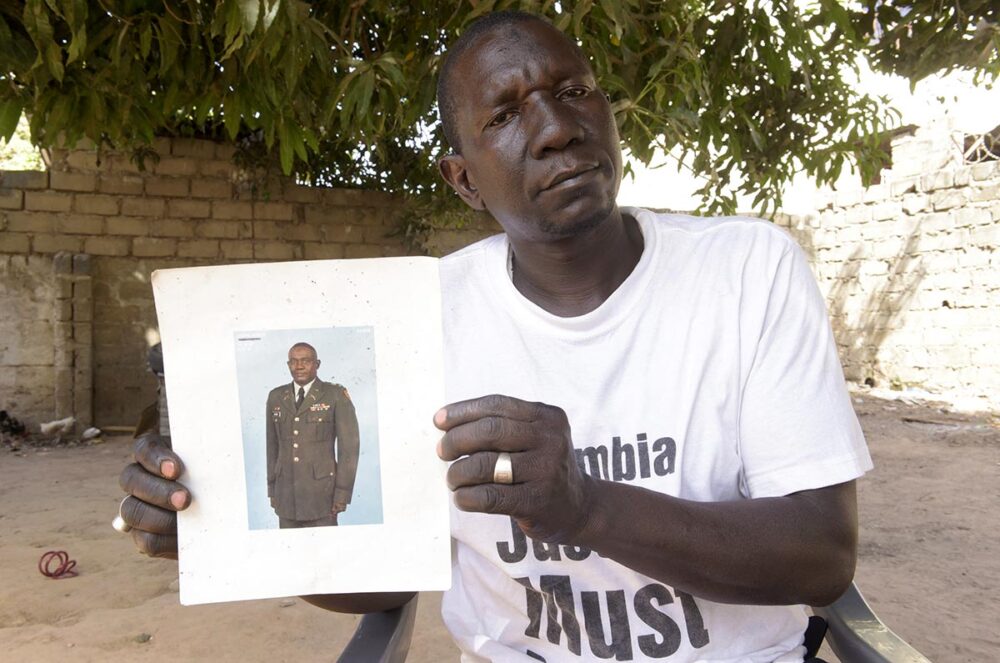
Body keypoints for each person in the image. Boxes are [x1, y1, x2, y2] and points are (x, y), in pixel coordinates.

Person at [118, 10, 871, 662]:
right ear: (464, 180)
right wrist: (222, 529)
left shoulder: (748, 270)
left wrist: (586, 506)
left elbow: (820, 555)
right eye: (505, 116)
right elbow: (386, 574)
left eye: (573, 92)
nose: (557, 130)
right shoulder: (423, 316)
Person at [266, 342, 359, 528]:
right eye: (294, 361)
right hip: (286, 496)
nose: (299, 366)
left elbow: (349, 449)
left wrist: (342, 493)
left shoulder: (334, 394)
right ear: (288, 365)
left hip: (322, 496)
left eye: (306, 361)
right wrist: (272, 490)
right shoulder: (276, 396)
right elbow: (272, 447)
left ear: (317, 364)